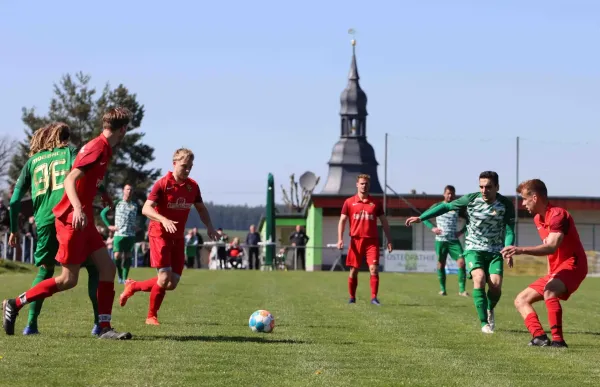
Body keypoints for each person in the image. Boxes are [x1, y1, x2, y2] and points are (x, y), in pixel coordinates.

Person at [2, 107, 134, 340]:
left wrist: (100, 195)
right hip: (70, 220)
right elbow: (70, 179)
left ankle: (104, 328)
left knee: (107, 268)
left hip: (84, 221)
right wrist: (76, 208)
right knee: (67, 279)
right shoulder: (96, 147)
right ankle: (15, 303)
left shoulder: (103, 147)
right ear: (122, 129)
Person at [6, 123, 102, 336]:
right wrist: (102, 190)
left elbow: (14, 201)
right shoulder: (70, 152)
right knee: (95, 267)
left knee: (45, 270)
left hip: (43, 222)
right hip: (67, 218)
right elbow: (85, 172)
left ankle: (30, 325)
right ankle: (99, 324)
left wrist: (14, 230)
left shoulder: (32, 161)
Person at [406, 171, 515, 334]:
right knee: (479, 278)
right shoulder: (471, 199)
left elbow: (509, 230)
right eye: (481, 186)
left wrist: (508, 248)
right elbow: (445, 206)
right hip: (473, 249)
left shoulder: (506, 204)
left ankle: (489, 309)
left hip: (494, 251)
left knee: (496, 286)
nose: (484, 190)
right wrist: (421, 218)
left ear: (497, 187)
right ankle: (484, 323)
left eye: (488, 187)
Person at [119, 148, 218, 325]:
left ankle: (133, 286)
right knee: (164, 279)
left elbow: (201, 209)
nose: (187, 170)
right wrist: (163, 219)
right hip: (159, 235)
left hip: (178, 238)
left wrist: (209, 226)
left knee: (172, 283)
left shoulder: (192, 186)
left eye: (190, 167)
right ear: (174, 164)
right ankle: (151, 316)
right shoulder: (163, 184)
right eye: (184, 166)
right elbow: (146, 208)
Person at [502, 179, 587, 348]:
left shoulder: (557, 215)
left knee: (550, 291)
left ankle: (558, 341)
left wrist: (520, 250)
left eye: (525, 199)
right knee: (521, 300)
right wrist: (549, 273)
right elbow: (551, 253)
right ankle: (539, 337)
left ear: (534, 197)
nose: (523, 203)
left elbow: (551, 247)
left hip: (573, 265)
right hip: (556, 270)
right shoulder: (537, 219)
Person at [337, 174, 393, 305]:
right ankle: (352, 297)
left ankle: (374, 297)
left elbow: (384, 222)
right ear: (357, 184)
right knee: (354, 270)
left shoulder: (376, 203)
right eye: (362, 183)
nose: (364, 186)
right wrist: (340, 239)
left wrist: (389, 240)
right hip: (356, 241)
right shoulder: (349, 202)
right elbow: (342, 221)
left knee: (373, 269)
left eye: (366, 184)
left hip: (372, 242)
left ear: (369, 185)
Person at [422, 185, 468, 297]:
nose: (450, 195)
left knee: (461, 263)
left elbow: (470, 220)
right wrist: (433, 228)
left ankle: (462, 290)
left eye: (452, 193)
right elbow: (424, 217)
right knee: (440, 264)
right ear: (444, 194)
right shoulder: (438, 206)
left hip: (453, 241)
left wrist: (462, 231)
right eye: (448, 193)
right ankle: (443, 289)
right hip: (440, 240)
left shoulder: (457, 207)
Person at [101, 184, 139, 283]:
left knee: (128, 256)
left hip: (130, 235)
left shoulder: (135, 205)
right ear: (123, 191)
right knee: (117, 256)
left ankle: (125, 278)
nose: (129, 191)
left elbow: (144, 216)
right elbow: (103, 213)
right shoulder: (117, 202)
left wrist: (139, 226)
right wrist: (109, 225)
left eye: (131, 189)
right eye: (127, 189)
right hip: (119, 234)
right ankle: (120, 275)